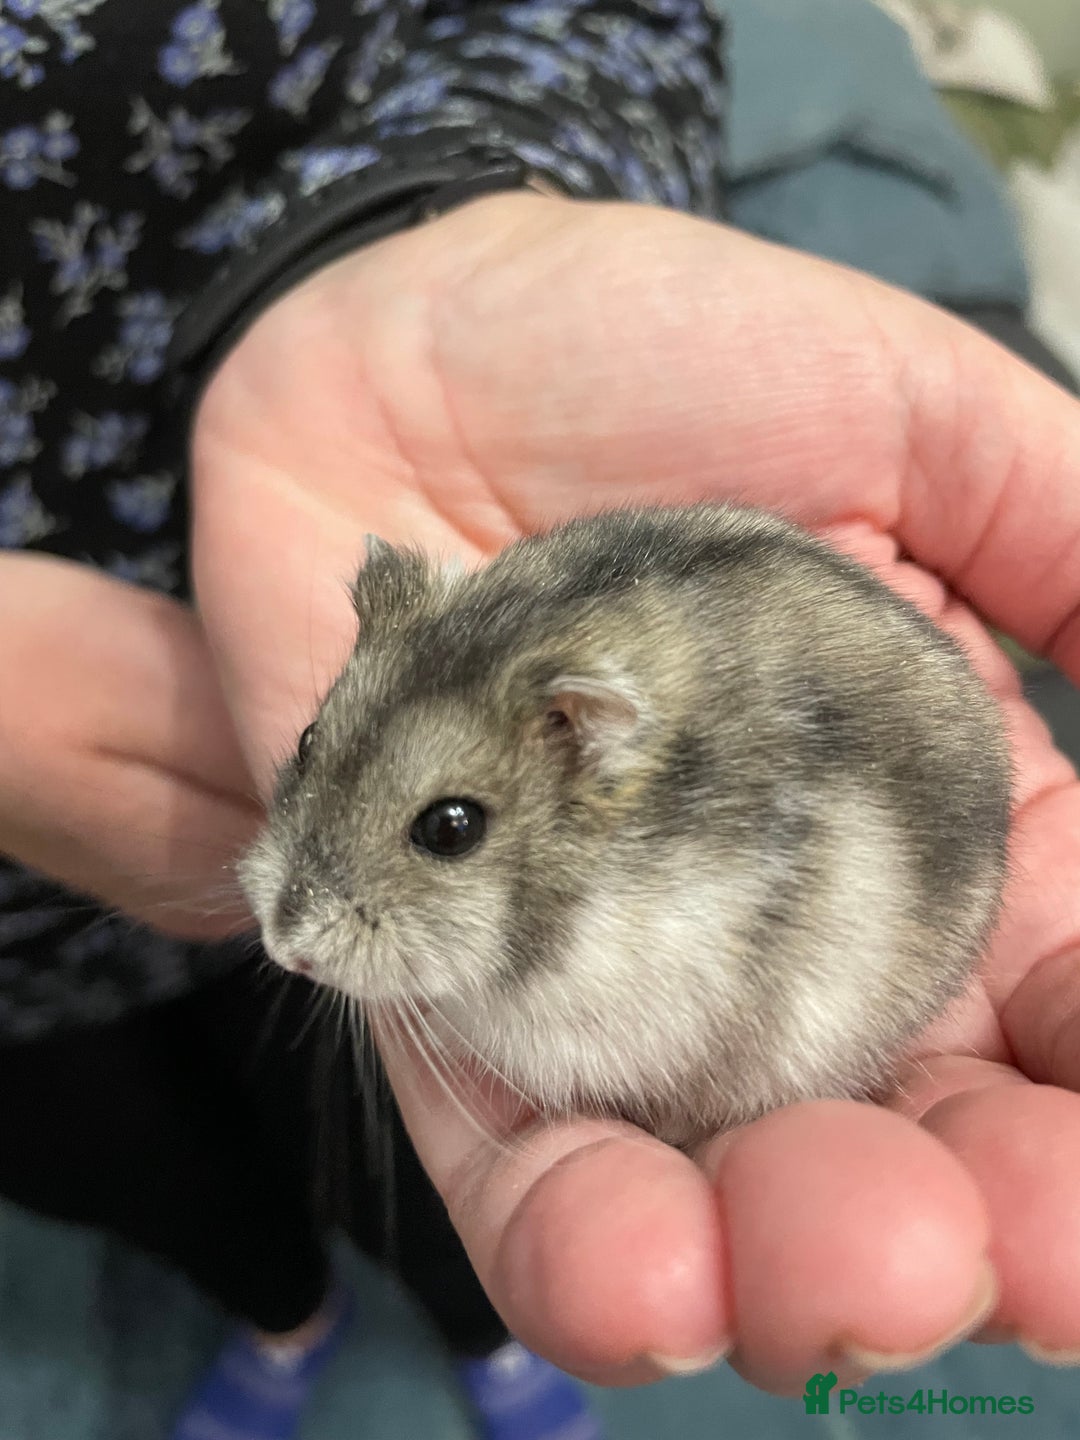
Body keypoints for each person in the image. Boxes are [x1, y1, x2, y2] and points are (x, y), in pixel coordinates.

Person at [3, 4, 1080, 1440]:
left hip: (301, 317)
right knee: (127, 1143)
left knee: (392, 1155)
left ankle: (471, 1339)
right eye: (325, 751)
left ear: (585, 746)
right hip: (26, 966)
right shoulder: (410, 754)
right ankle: (278, 1308)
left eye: (448, 827)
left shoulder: (673, 835)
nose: (299, 919)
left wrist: (414, 234)